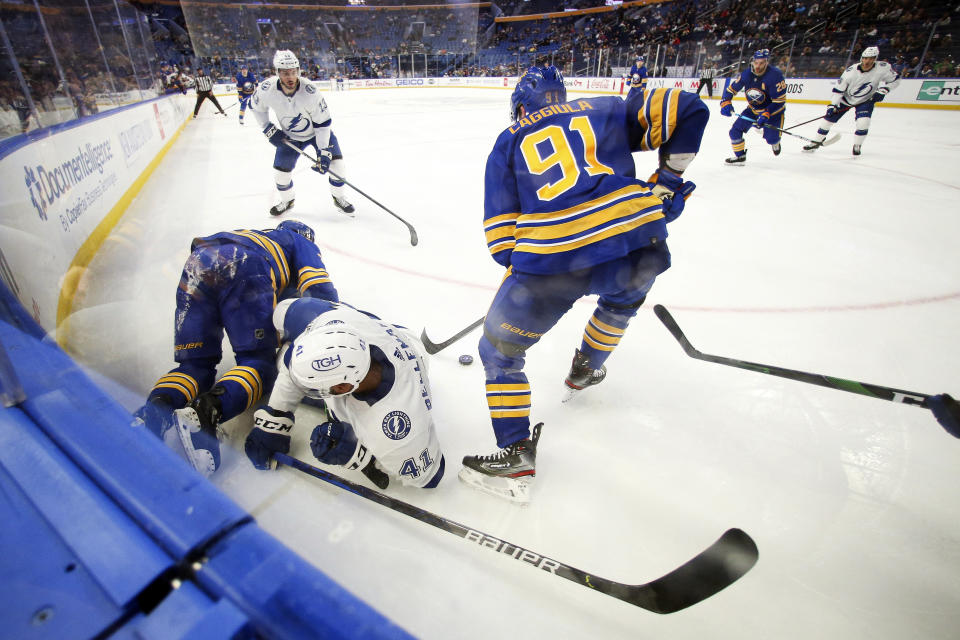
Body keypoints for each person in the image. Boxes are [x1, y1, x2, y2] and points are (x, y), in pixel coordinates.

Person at [460, 66, 709, 503]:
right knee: (619, 304)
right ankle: (585, 369)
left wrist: (520, 271)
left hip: (555, 263)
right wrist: (666, 186)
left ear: (519, 106)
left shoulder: (509, 140)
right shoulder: (608, 108)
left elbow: (501, 240)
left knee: (498, 352)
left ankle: (516, 452)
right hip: (638, 247)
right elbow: (690, 108)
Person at [134, 220, 339, 477]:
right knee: (259, 364)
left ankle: (155, 410)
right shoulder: (300, 241)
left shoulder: (258, 236)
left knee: (195, 366)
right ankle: (206, 413)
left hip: (198, 261)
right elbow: (319, 288)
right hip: (245, 266)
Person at [243, 297, 445, 490]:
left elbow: (429, 477)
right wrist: (276, 415)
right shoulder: (332, 324)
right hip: (391, 333)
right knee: (283, 310)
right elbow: (294, 360)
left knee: (278, 361)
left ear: (343, 388)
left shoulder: (396, 429)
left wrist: (360, 455)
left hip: (403, 356)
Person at [250, 49, 355, 218]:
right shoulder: (266, 89)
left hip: (316, 133)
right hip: (289, 138)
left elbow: (322, 124)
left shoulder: (310, 92)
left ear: (298, 70)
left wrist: (323, 151)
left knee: (337, 167)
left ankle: (339, 197)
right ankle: (287, 201)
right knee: (281, 174)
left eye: (293, 72)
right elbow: (255, 107)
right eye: (285, 73)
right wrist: (268, 129)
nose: (290, 77)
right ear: (277, 72)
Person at [802, 46, 900, 156]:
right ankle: (815, 142)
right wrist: (832, 106)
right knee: (827, 121)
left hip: (866, 100)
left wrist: (884, 90)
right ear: (861, 58)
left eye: (871, 58)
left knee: (863, 123)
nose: (867, 61)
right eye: (865, 58)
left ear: (875, 59)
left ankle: (857, 145)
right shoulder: (850, 72)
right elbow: (838, 91)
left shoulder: (883, 68)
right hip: (846, 99)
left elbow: (895, 80)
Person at [720, 49, 786, 164]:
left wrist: (766, 113)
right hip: (752, 110)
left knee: (771, 139)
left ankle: (775, 142)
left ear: (767, 62)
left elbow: (779, 101)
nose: (758, 66)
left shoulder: (775, 75)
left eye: (761, 63)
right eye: (756, 62)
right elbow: (730, 90)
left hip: (773, 113)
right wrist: (726, 102)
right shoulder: (747, 74)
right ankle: (740, 157)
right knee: (735, 131)